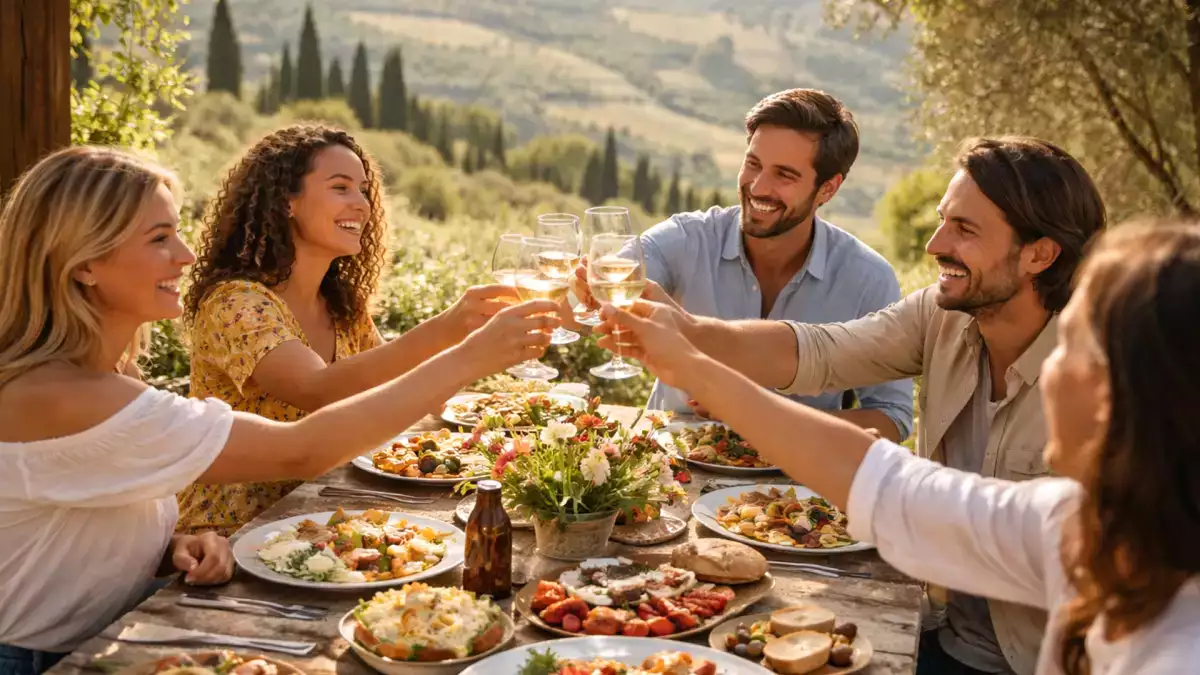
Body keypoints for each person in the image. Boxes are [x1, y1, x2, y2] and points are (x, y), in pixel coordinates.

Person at [0, 146, 556, 674]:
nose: (185, 255)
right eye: (159, 238)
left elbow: (73, 520)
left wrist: (169, 549)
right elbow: (302, 449)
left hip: (110, 628)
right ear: (85, 264)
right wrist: (467, 356)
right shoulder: (63, 395)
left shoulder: (112, 376)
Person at [599, 136, 1108, 674]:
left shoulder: (1103, 382)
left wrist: (694, 365)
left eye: (965, 229)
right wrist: (688, 330)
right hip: (938, 631)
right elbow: (819, 351)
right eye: (942, 220)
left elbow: (886, 480)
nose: (935, 244)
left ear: (1039, 254)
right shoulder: (941, 316)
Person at [177, 125, 521, 536]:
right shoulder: (235, 303)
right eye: (340, 188)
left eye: (363, 190)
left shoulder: (340, 306)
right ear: (286, 201)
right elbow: (317, 388)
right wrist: (446, 330)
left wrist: (510, 416)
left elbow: (401, 387)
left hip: (321, 516)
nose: (361, 204)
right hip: (228, 535)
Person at [577, 89, 912, 441]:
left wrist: (761, 416)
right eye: (753, 164)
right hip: (670, 461)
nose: (758, 186)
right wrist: (585, 289)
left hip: (791, 473)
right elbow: (616, 280)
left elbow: (893, 416)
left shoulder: (867, 278)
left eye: (784, 175)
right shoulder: (686, 238)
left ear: (828, 189)